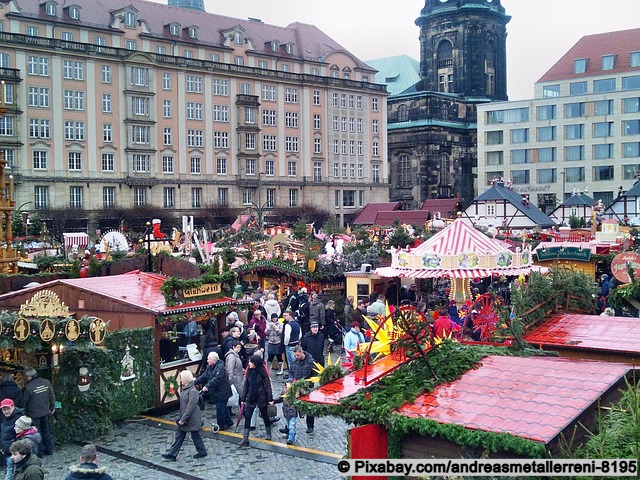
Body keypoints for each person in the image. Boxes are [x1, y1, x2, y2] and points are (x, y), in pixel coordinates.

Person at [161, 370, 207, 461]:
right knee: (180, 435)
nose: (180, 380)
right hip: (185, 418)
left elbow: (190, 407)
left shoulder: (192, 391)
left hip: (191, 418)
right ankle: (172, 454)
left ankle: (202, 451)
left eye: (181, 378)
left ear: (186, 379)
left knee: (195, 435)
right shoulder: (186, 389)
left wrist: (183, 419)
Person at [238, 355, 274, 447]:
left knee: (265, 415)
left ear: (255, 363)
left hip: (261, 396)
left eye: (251, 362)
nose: (249, 363)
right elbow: (246, 385)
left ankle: (268, 434)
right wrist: (243, 398)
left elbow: (267, 385)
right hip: (251, 396)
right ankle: (245, 438)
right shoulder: (249, 371)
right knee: (248, 416)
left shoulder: (262, 371)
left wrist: (270, 398)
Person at [195, 352, 233, 431]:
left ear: (214, 360)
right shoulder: (210, 367)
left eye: (209, 359)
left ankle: (221, 425)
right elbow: (204, 376)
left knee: (220, 409)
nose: (207, 361)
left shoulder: (220, 367)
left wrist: (207, 386)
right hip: (217, 392)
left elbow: (217, 378)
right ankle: (229, 421)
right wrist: (194, 382)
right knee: (223, 407)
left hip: (222, 392)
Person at [20, 368, 54, 457]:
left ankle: (40, 453)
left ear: (28, 377)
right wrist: (52, 407)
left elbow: (24, 401)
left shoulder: (28, 387)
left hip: (33, 413)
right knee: (46, 431)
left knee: (36, 433)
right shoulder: (46, 382)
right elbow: (52, 396)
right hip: (45, 411)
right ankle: (49, 449)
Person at [286, 346, 316, 434]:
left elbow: (315, 373)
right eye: (295, 356)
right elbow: (291, 373)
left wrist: (310, 383)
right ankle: (288, 427)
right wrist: (290, 380)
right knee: (290, 407)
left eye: (297, 355)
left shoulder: (310, 362)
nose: (296, 357)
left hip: (307, 387)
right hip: (297, 387)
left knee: (309, 407)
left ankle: (310, 425)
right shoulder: (294, 362)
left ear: (301, 352)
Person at [1, 398, 23, 479]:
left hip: (14, 452)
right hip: (7, 451)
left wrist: (15, 451)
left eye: (8, 409)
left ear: (13, 406)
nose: (6, 411)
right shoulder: (5, 419)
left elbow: (21, 436)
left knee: (11, 474)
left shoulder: (18, 418)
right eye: (4, 409)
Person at [225, 341, 244, 414]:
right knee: (237, 394)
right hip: (235, 379)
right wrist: (230, 380)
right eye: (237, 347)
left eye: (240, 347)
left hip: (238, 378)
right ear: (233, 347)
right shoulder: (232, 356)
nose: (239, 349)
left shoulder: (235, 355)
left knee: (238, 394)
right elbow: (230, 368)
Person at [282, 310, 302, 378]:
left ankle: (292, 375)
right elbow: (300, 335)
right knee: (296, 360)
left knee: (291, 362)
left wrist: (285, 343)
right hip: (296, 344)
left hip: (290, 345)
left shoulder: (288, 325)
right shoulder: (297, 324)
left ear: (290, 316)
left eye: (286, 315)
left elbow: (287, 336)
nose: (285, 317)